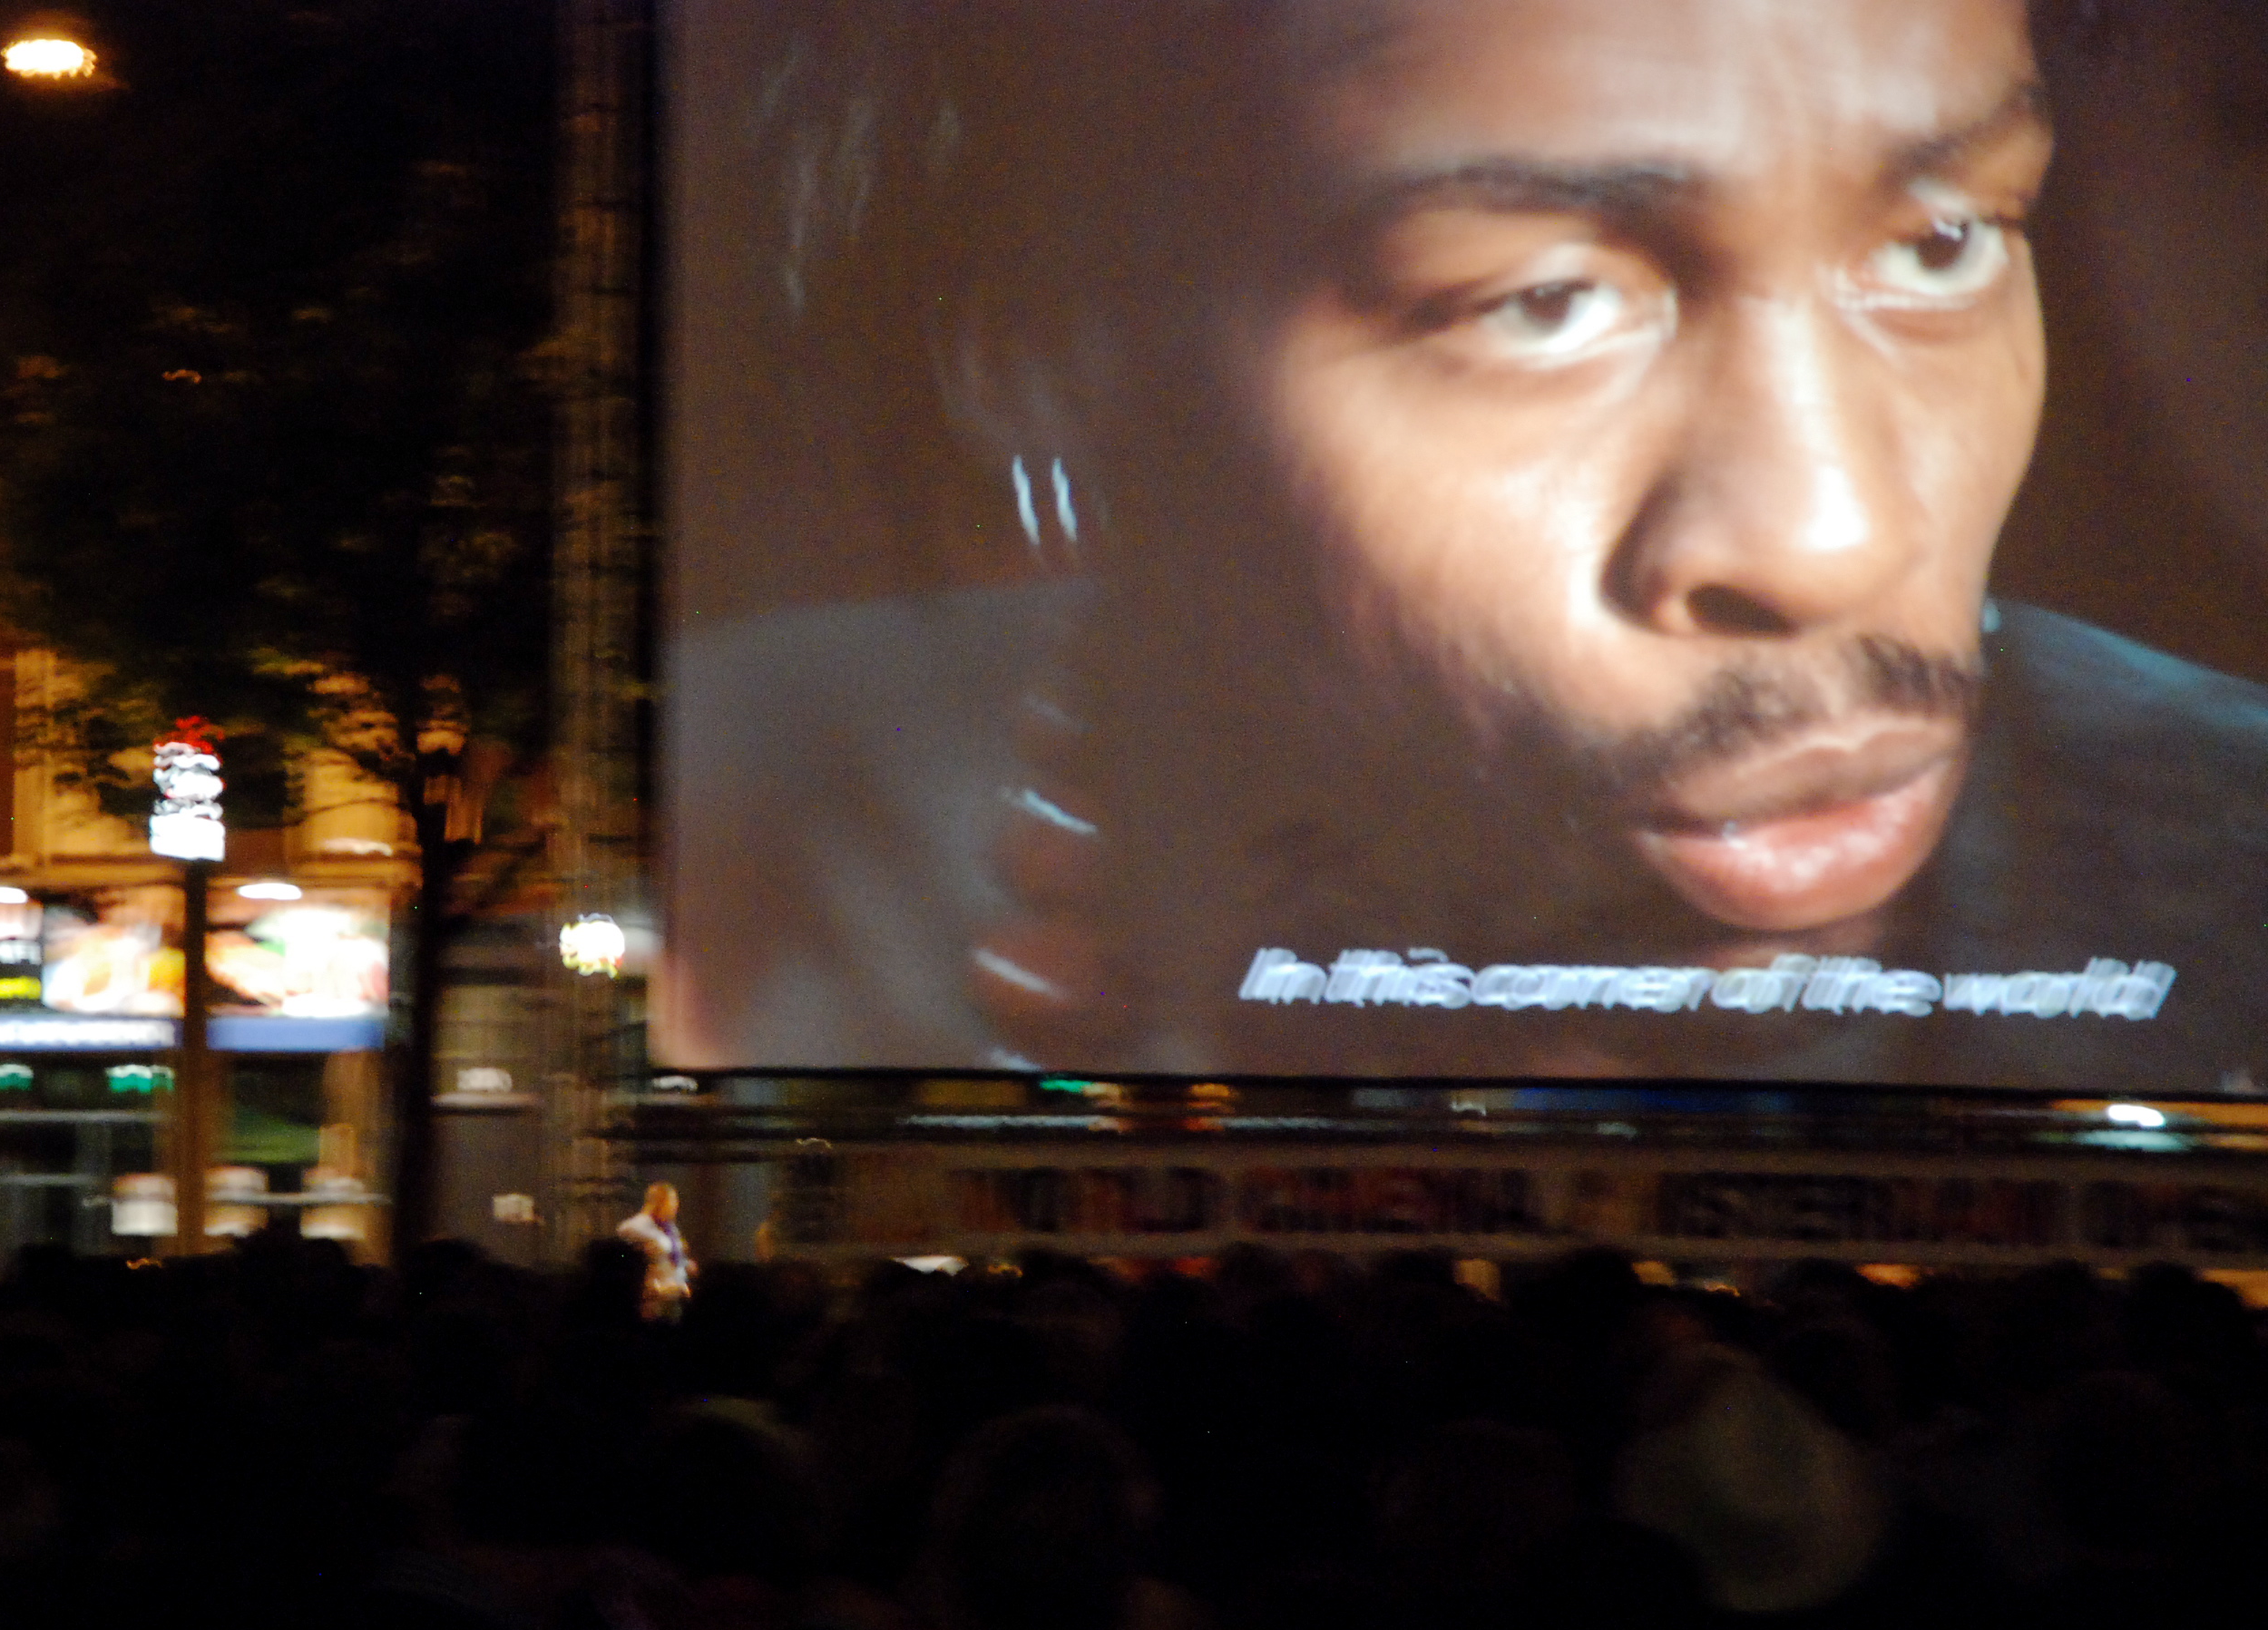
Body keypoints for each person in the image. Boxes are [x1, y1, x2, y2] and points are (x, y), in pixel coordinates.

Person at [664, 0, 2268, 1090]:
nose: (1834, 539)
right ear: (1050, 359)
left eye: (1940, 245)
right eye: (1544, 302)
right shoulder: (747, 865)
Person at [617, 1183, 696, 1317]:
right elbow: (625, 1255)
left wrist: (686, 1264)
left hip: (675, 1296)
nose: (675, 1207)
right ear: (659, 1202)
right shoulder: (635, 1228)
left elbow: (671, 1256)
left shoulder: (669, 1228)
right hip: (654, 1298)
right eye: (672, 1202)